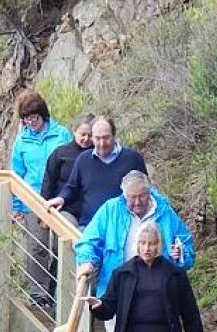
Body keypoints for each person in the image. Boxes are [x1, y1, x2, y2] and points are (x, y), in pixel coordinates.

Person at [75, 170, 196, 332]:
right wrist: (88, 261)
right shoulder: (110, 210)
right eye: (132, 198)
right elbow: (89, 240)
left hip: (157, 295)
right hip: (119, 292)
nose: (137, 202)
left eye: (142, 197)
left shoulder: (165, 212)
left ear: (150, 193)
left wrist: (181, 255)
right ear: (124, 194)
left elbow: (186, 247)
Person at [10, 91, 72, 314]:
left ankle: (56, 292)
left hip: (58, 200)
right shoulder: (22, 140)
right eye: (26, 119)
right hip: (31, 199)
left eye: (33, 118)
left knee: (59, 247)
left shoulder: (61, 134)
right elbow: (16, 173)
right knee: (37, 247)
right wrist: (16, 207)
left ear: (42, 115)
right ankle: (38, 295)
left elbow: (71, 166)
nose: (30, 123)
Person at [60, 115, 148, 227]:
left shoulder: (133, 159)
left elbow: (146, 191)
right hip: (90, 229)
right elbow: (71, 188)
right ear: (92, 138)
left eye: (106, 138)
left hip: (124, 228)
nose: (102, 144)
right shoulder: (83, 159)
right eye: (97, 138)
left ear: (114, 135)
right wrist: (60, 199)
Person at [41, 112, 94, 208]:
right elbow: (48, 183)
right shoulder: (60, 153)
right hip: (64, 208)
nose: (86, 139)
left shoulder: (100, 155)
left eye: (90, 135)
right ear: (74, 131)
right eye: (83, 135)